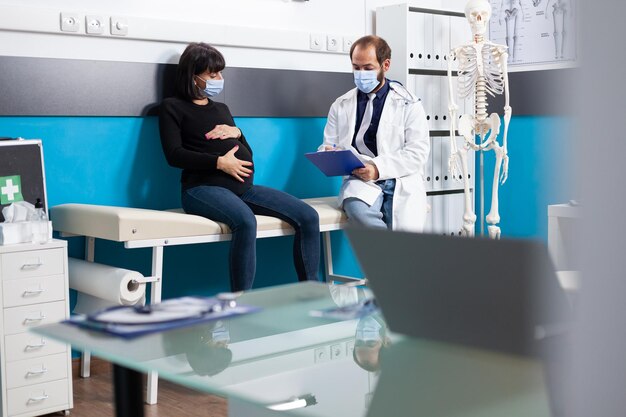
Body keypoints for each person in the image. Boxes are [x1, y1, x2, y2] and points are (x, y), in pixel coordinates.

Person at [159, 42, 320, 292]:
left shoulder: (222, 109)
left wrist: (239, 131)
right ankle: (241, 302)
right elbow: (174, 155)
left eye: (220, 73)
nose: (219, 79)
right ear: (194, 77)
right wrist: (219, 162)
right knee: (246, 221)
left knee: (308, 216)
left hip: (244, 189)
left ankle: (312, 292)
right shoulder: (173, 107)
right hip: (201, 188)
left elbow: (248, 152)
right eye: (213, 75)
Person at [320, 35, 430, 231]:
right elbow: (329, 143)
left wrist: (377, 168)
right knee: (359, 212)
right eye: (356, 67)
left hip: (400, 179)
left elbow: (417, 153)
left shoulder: (409, 104)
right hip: (361, 180)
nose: (361, 74)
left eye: (368, 68)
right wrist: (328, 153)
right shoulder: (341, 105)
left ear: (385, 65)